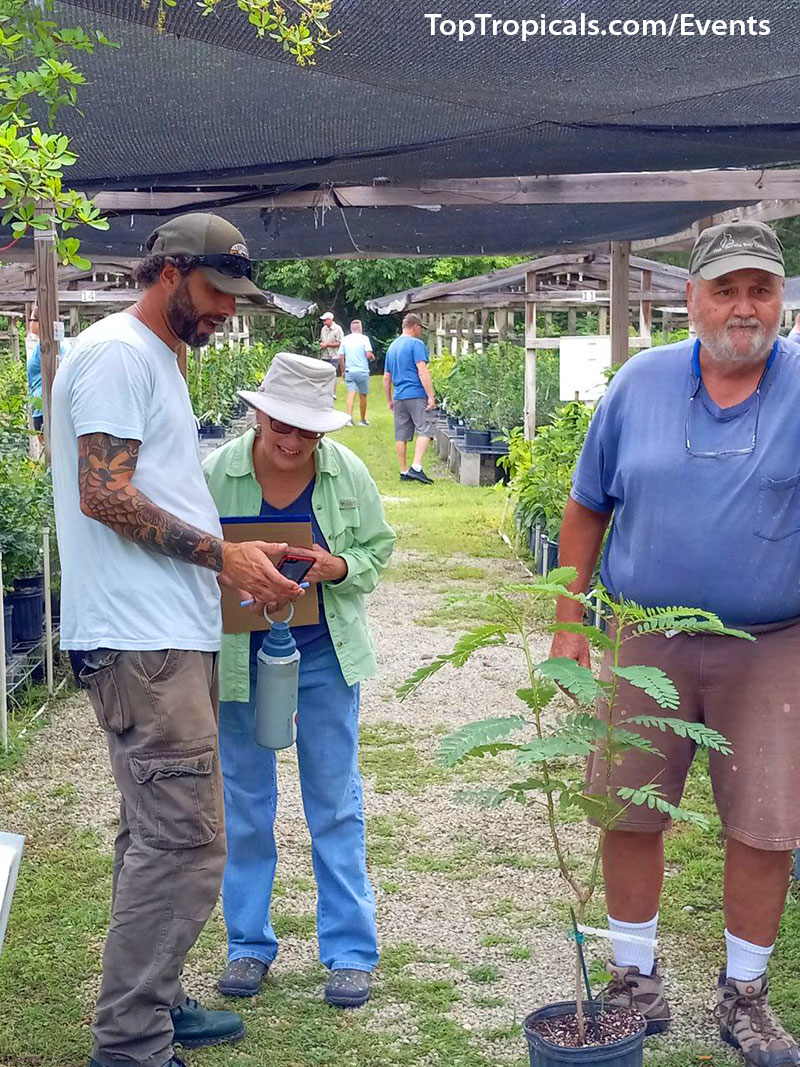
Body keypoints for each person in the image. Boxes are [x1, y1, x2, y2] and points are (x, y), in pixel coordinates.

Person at [50, 212, 305, 1067]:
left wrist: (232, 556)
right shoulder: (122, 354)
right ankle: (130, 1041)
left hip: (157, 635)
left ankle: (152, 999)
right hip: (141, 643)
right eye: (217, 292)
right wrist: (220, 554)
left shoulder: (156, 355)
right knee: (186, 841)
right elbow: (105, 494)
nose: (228, 310)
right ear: (169, 273)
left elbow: (148, 486)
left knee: (154, 833)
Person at [552, 219, 800, 1067]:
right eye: (725, 289)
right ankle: (634, 981)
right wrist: (567, 624)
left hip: (770, 642)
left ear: (782, 300)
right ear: (689, 298)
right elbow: (588, 506)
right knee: (629, 806)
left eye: (759, 289)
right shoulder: (639, 383)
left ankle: (746, 995)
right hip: (644, 636)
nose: (743, 307)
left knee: (766, 824)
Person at [202, 352, 395, 1008]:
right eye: (280, 424)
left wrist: (337, 566)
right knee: (245, 802)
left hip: (321, 660)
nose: (290, 440)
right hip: (240, 660)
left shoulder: (349, 475)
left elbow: (378, 547)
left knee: (335, 802)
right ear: (259, 412)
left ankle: (348, 951)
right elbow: (190, 557)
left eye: (307, 431)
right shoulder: (216, 473)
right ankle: (247, 944)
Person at [383, 312, 436, 485]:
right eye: (421, 328)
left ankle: (403, 470)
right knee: (425, 429)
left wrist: (389, 399)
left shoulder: (392, 347)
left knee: (401, 435)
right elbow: (422, 370)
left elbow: (386, 377)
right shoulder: (416, 344)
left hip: (399, 395)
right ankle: (417, 467)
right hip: (415, 393)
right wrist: (431, 396)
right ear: (415, 327)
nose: (421, 332)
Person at [339, 319, 375, 425]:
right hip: (362, 370)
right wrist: (372, 358)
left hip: (350, 370)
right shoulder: (364, 339)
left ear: (351, 329)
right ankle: (362, 420)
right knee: (363, 395)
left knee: (351, 393)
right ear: (360, 328)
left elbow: (341, 356)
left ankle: (349, 419)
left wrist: (343, 371)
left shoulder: (345, 339)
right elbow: (368, 354)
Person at [26, 308, 43, 434]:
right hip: (38, 405)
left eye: (32, 320)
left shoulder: (45, 346)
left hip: (43, 405)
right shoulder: (39, 345)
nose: (30, 323)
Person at [319, 310, 343, 380]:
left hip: (334, 356)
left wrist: (327, 345)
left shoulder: (338, 329)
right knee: (324, 374)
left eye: (325, 320)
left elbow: (340, 343)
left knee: (332, 374)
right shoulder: (323, 329)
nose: (324, 322)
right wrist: (321, 344)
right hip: (324, 355)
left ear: (330, 319)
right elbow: (321, 340)